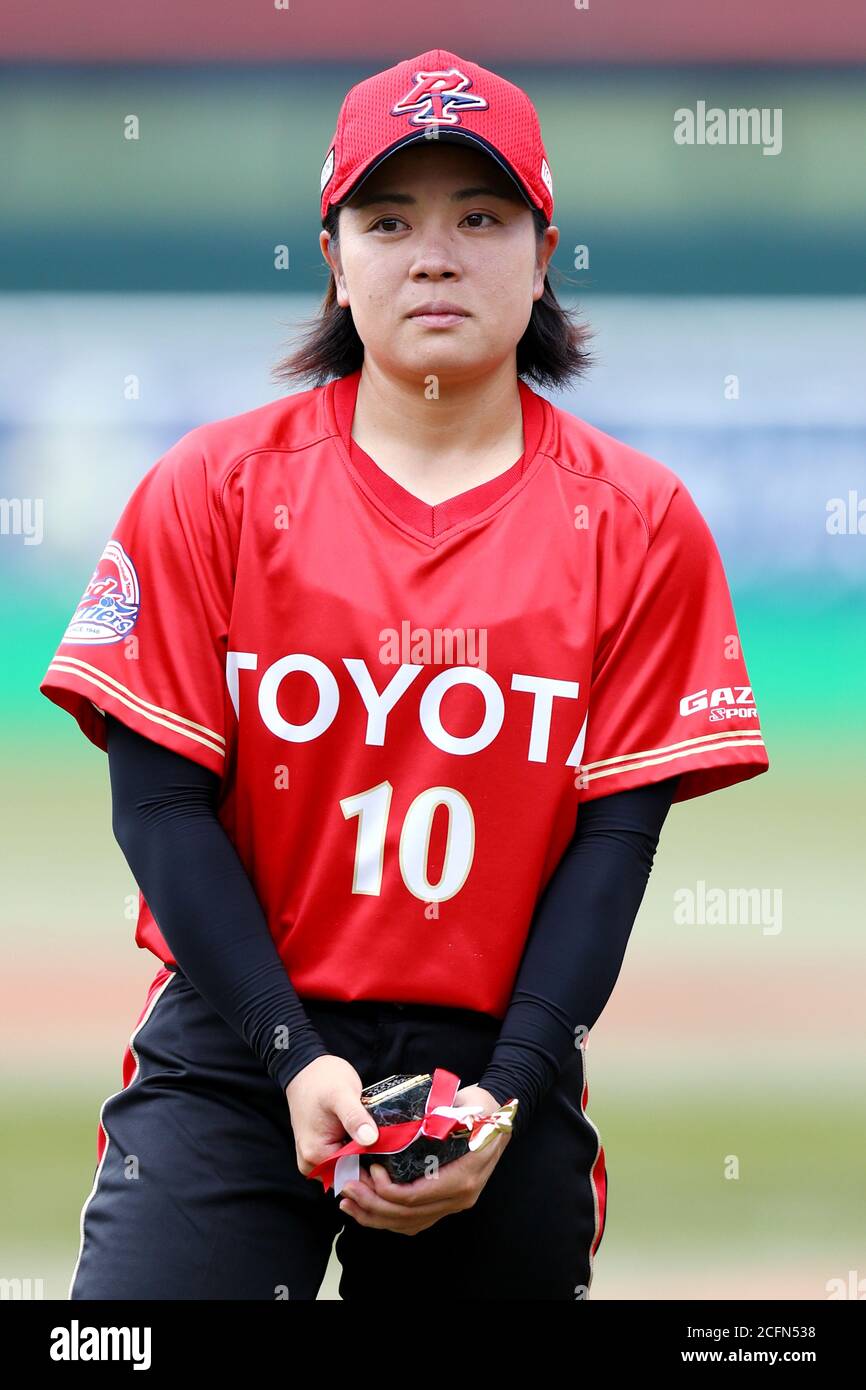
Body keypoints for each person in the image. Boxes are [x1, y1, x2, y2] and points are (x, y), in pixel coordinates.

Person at [39, 49, 769, 1301]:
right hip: (236, 1040)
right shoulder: (211, 489)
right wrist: (289, 1055)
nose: (433, 255)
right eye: (389, 221)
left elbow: (613, 847)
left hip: (499, 1055)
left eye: (480, 219)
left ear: (544, 254)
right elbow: (156, 808)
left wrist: (510, 1088)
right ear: (333, 254)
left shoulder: (639, 520)